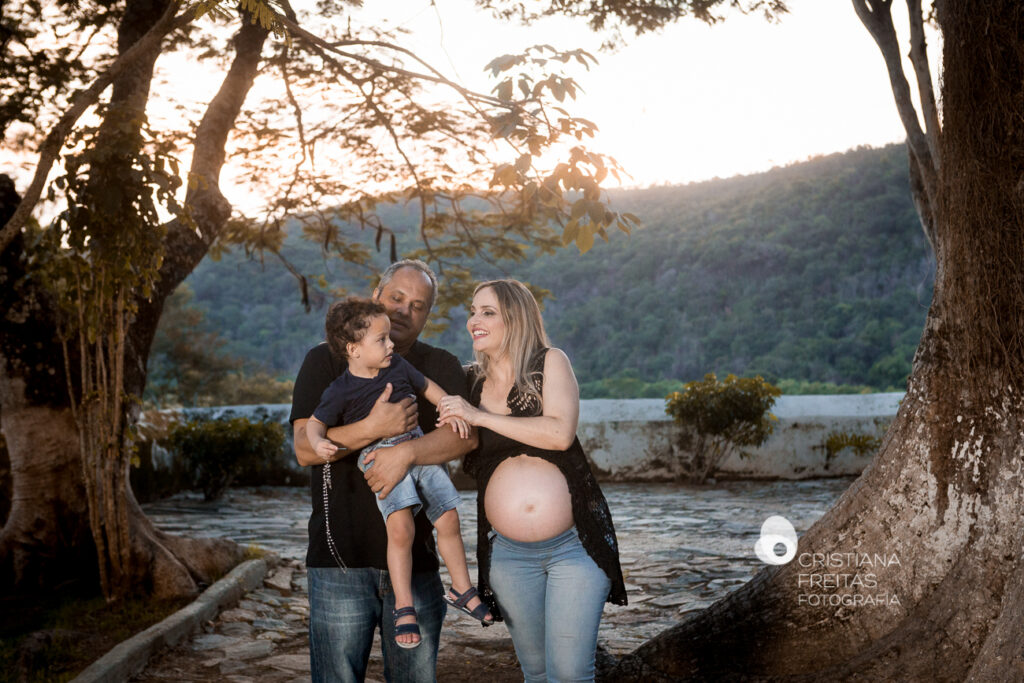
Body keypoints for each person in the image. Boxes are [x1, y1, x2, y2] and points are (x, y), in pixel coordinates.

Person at [290, 260, 482, 683]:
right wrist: (373, 429)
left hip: (418, 565)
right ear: (377, 296)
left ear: (427, 315)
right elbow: (305, 448)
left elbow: (464, 438)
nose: (403, 311)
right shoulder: (326, 361)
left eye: (417, 305)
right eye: (396, 297)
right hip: (339, 562)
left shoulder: (440, 364)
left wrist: (405, 452)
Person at [435, 279, 628, 683]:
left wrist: (480, 417)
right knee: (536, 672)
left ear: (516, 318)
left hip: (574, 548)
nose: (474, 321)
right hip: (508, 556)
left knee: (572, 673)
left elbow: (560, 434)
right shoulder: (469, 382)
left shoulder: (549, 362)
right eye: (473, 311)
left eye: (488, 312)